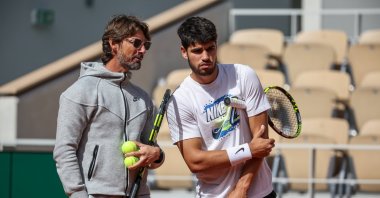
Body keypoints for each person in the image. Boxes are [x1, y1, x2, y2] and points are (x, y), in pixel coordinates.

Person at [53, 14, 165, 198]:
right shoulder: (80, 92)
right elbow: (64, 151)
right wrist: (78, 194)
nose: (143, 50)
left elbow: (150, 152)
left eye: (146, 45)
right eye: (136, 43)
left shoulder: (143, 99)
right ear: (114, 44)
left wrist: (157, 155)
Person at [166, 16, 276, 198]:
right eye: (197, 51)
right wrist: (248, 150)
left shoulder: (244, 76)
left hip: (259, 193)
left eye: (210, 48)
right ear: (184, 52)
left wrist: (242, 188)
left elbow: (261, 142)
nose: (206, 57)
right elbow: (195, 161)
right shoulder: (180, 100)